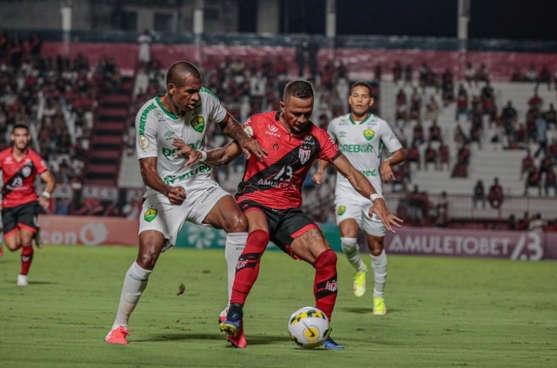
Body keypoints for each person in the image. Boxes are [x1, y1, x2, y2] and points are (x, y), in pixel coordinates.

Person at [197, 80, 402, 350]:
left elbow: (351, 172)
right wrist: (199, 154)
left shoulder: (317, 138)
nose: (301, 119)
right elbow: (224, 155)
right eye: (295, 113)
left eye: (307, 113)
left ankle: (323, 329)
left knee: (327, 258)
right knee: (257, 236)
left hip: (289, 211)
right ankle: (234, 311)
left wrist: (376, 198)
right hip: (254, 201)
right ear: (282, 106)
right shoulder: (258, 124)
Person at [104, 61, 266, 346]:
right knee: (148, 254)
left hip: (199, 184)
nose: (195, 97)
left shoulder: (206, 100)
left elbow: (228, 122)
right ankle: (119, 326)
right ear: (172, 89)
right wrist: (167, 190)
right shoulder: (150, 116)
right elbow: (147, 172)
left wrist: (245, 140)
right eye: (190, 92)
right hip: (163, 191)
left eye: (198, 90)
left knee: (239, 224)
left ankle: (232, 312)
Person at [312, 81, 405, 315]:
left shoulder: (380, 126)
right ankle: (359, 268)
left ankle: (378, 297)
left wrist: (387, 161)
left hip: (374, 194)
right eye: (356, 95)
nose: (360, 99)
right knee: (348, 241)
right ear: (349, 99)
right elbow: (327, 149)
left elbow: (400, 152)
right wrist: (321, 170)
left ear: (371, 101)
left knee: (376, 247)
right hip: (346, 191)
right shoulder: (337, 125)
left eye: (365, 96)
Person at [0, 124, 55, 286]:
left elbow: (50, 180)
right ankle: (33, 231)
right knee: (12, 245)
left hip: (28, 203)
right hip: (8, 205)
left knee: (25, 239)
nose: (21, 139)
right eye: (18, 135)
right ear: (12, 137)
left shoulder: (34, 158)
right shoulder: (3, 157)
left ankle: (23, 276)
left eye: (24, 135)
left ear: (29, 137)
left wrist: (45, 195)